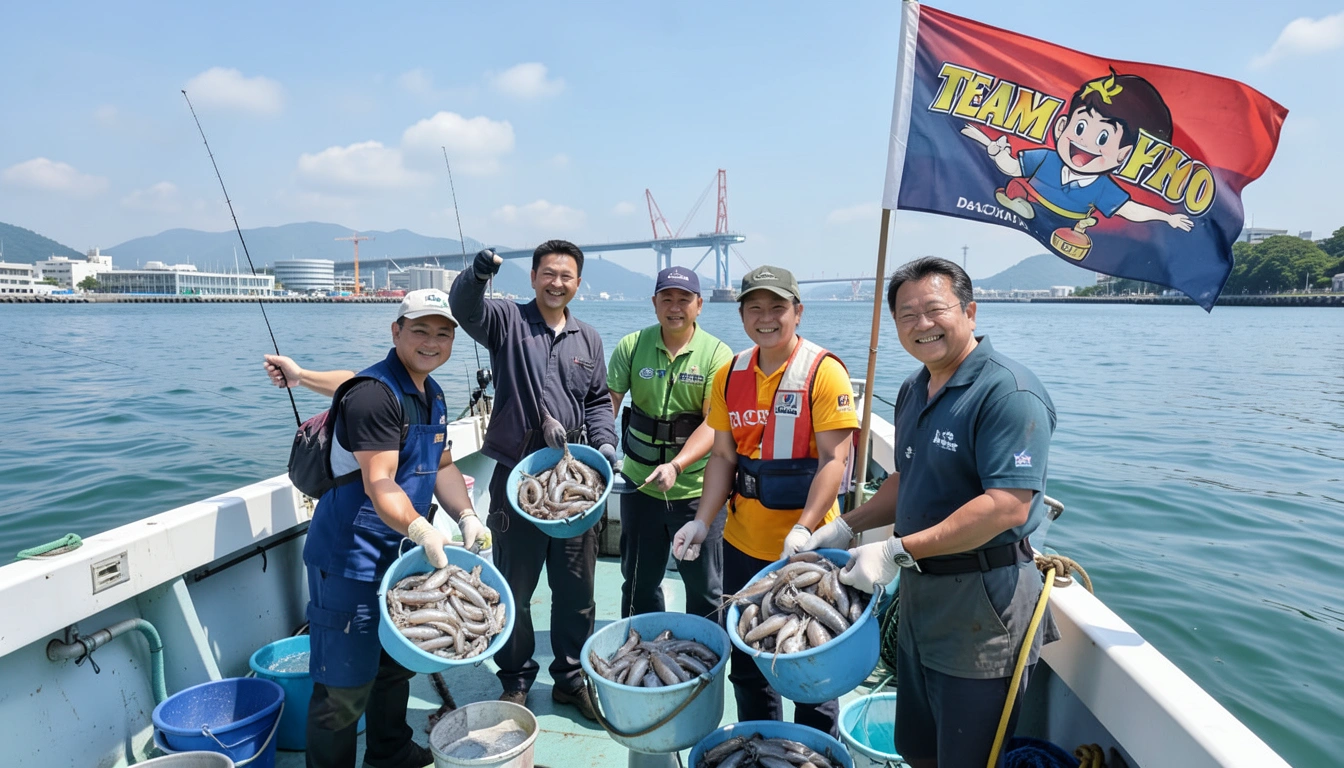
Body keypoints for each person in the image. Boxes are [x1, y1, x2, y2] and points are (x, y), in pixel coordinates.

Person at [802, 257, 1058, 768]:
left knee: (965, 757)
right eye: (906, 315)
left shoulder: (1008, 392)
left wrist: (896, 549)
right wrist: (845, 526)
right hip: (921, 597)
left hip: (983, 610)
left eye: (934, 309)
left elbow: (1007, 506)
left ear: (970, 311)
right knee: (917, 747)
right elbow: (907, 478)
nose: (922, 325)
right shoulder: (914, 388)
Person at [262, 288, 488, 768]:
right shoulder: (373, 396)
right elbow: (380, 479)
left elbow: (443, 463)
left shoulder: (432, 392)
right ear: (396, 332)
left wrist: (466, 514)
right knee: (343, 687)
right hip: (351, 561)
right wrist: (421, 529)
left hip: (402, 558)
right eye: (420, 330)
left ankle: (391, 752)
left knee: (393, 667)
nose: (432, 342)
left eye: (443, 333)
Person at [671, 265, 858, 736]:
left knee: (814, 661)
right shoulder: (730, 373)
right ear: (741, 313)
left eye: (778, 307)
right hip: (742, 544)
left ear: (798, 311)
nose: (767, 317)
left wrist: (806, 527)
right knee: (750, 661)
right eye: (755, 307)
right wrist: (701, 520)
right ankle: (761, 744)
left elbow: (835, 459)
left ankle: (813, 751)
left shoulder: (824, 371)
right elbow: (721, 456)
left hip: (810, 550)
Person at [449, 241, 617, 721]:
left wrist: (606, 444)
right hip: (516, 473)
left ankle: (570, 678)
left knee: (576, 591)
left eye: (566, 276)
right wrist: (479, 273)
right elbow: (464, 307)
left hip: (574, 478)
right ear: (534, 278)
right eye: (548, 273)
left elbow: (599, 402)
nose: (556, 282)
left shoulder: (589, 338)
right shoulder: (506, 321)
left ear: (577, 283)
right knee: (514, 589)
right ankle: (516, 677)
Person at [607, 267, 733, 619]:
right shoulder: (632, 346)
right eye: (667, 298)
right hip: (640, 486)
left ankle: (705, 664)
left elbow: (714, 424)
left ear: (699, 305)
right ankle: (640, 651)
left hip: (696, 492)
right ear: (654, 302)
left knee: (706, 589)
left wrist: (677, 465)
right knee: (637, 583)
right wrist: (598, 449)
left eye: (684, 299)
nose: (675, 307)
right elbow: (608, 405)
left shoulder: (717, 355)